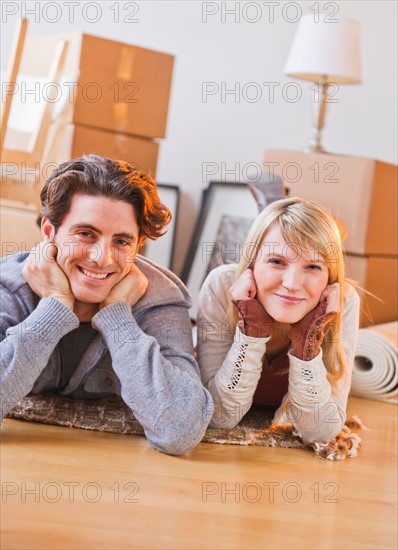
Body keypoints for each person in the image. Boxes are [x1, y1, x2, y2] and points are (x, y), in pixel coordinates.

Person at [1, 154, 213, 455]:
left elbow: (180, 430)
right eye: (86, 234)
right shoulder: (9, 287)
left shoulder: (161, 298)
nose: (103, 258)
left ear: (138, 245)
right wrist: (55, 306)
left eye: (122, 242)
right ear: (50, 232)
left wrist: (118, 318)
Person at [197, 196, 360, 443]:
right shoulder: (222, 286)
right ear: (252, 263)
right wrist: (252, 333)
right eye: (276, 261)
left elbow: (320, 432)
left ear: (329, 276)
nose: (292, 284)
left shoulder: (342, 301)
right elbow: (219, 417)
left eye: (313, 266)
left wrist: (308, 344)